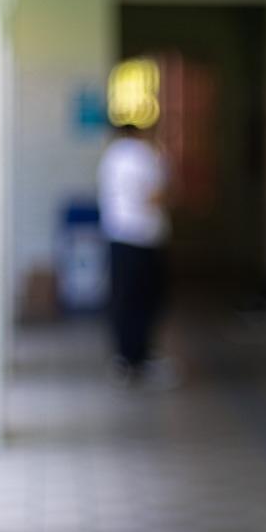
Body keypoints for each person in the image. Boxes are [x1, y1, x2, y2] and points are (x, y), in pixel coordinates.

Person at [98, 120, 169, 385]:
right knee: (145, 300)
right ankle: (140, 356)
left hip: (118, 236)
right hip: (143, 237)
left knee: (123, 300)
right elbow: (155, 195)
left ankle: (124, 359)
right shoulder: (144, 155)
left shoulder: (110, 157)